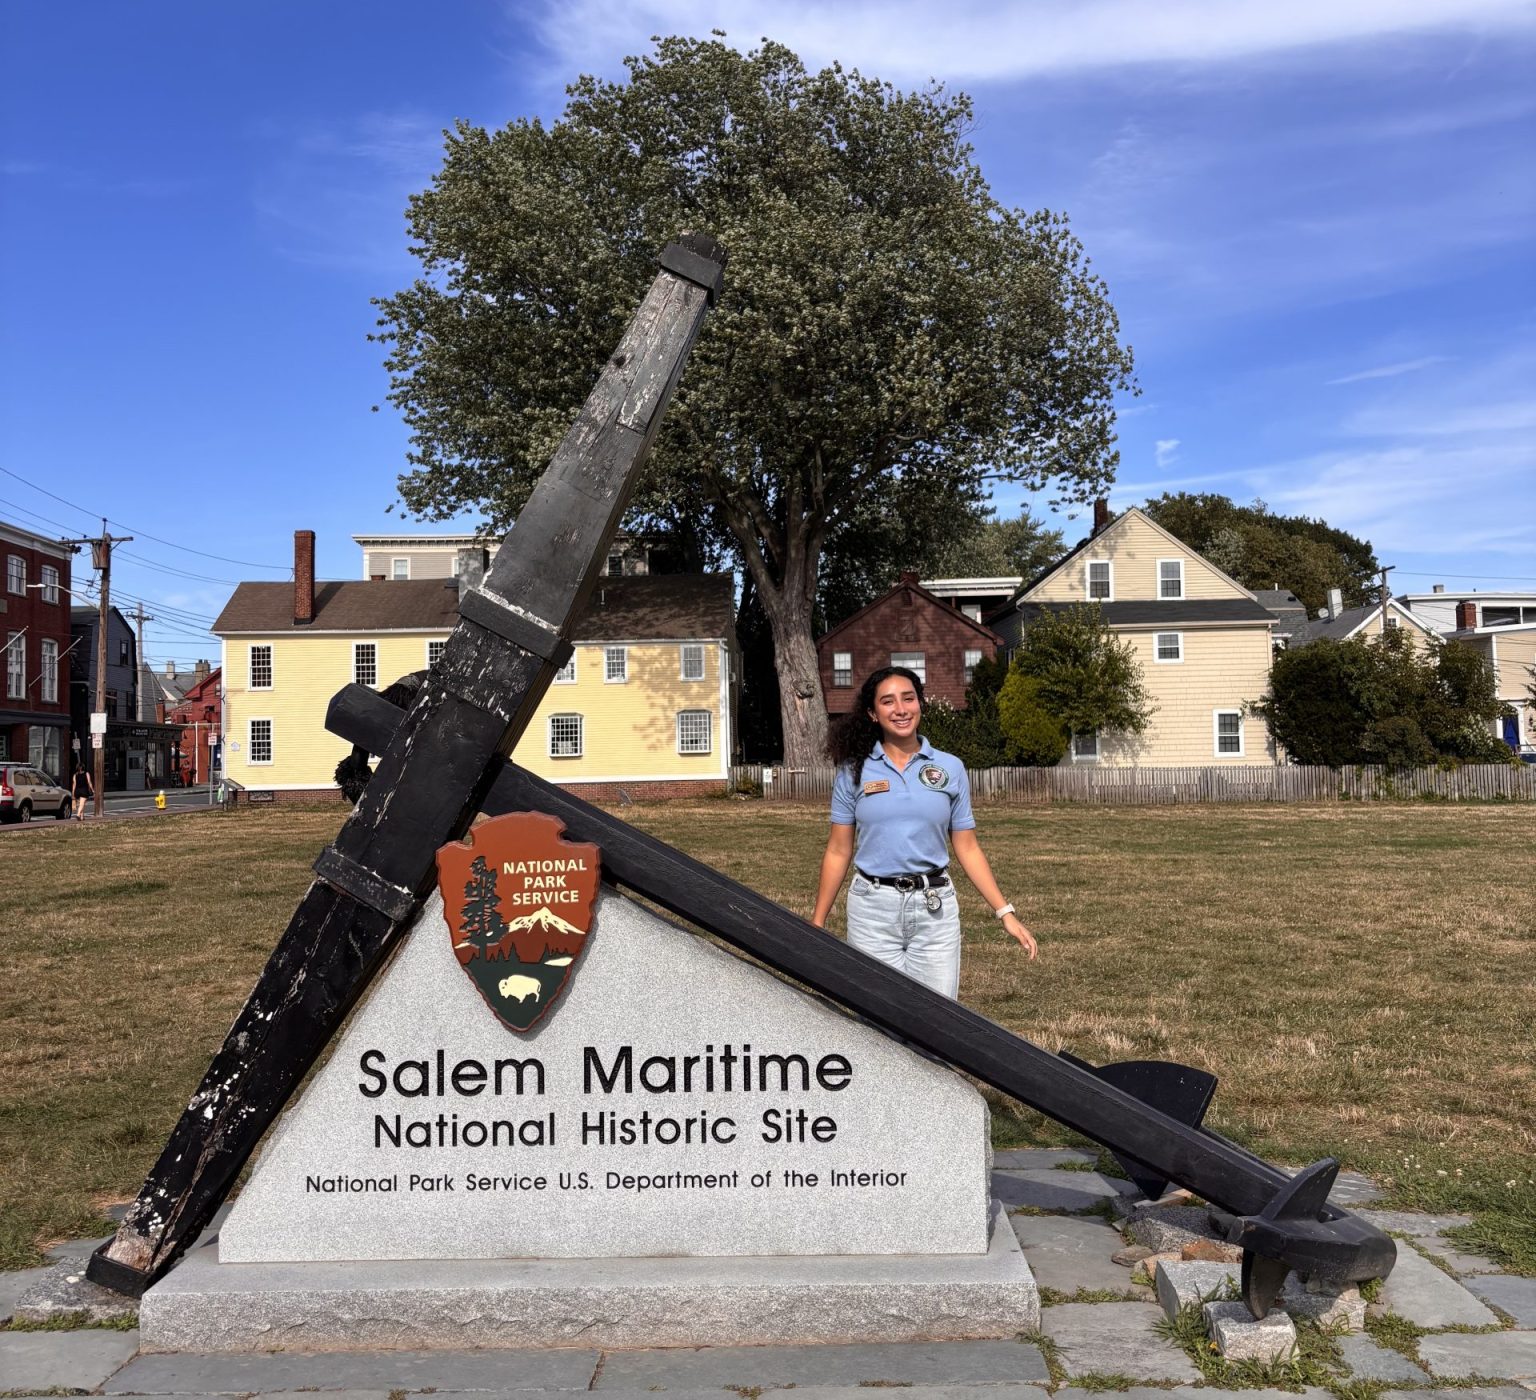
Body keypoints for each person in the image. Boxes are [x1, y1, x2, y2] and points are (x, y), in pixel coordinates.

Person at [810, 666, 1037, 999]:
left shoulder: (950, 768)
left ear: (920, 704)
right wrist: (818, 922)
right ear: (873, 713)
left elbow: (968, 848)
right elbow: (838, 851)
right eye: (888, 702)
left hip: (935, 910)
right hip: (872, 911)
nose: (900, 709)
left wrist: (1006, 913)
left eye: (908, 698)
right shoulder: (853, 771)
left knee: (937, 1021)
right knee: (878, 1018)